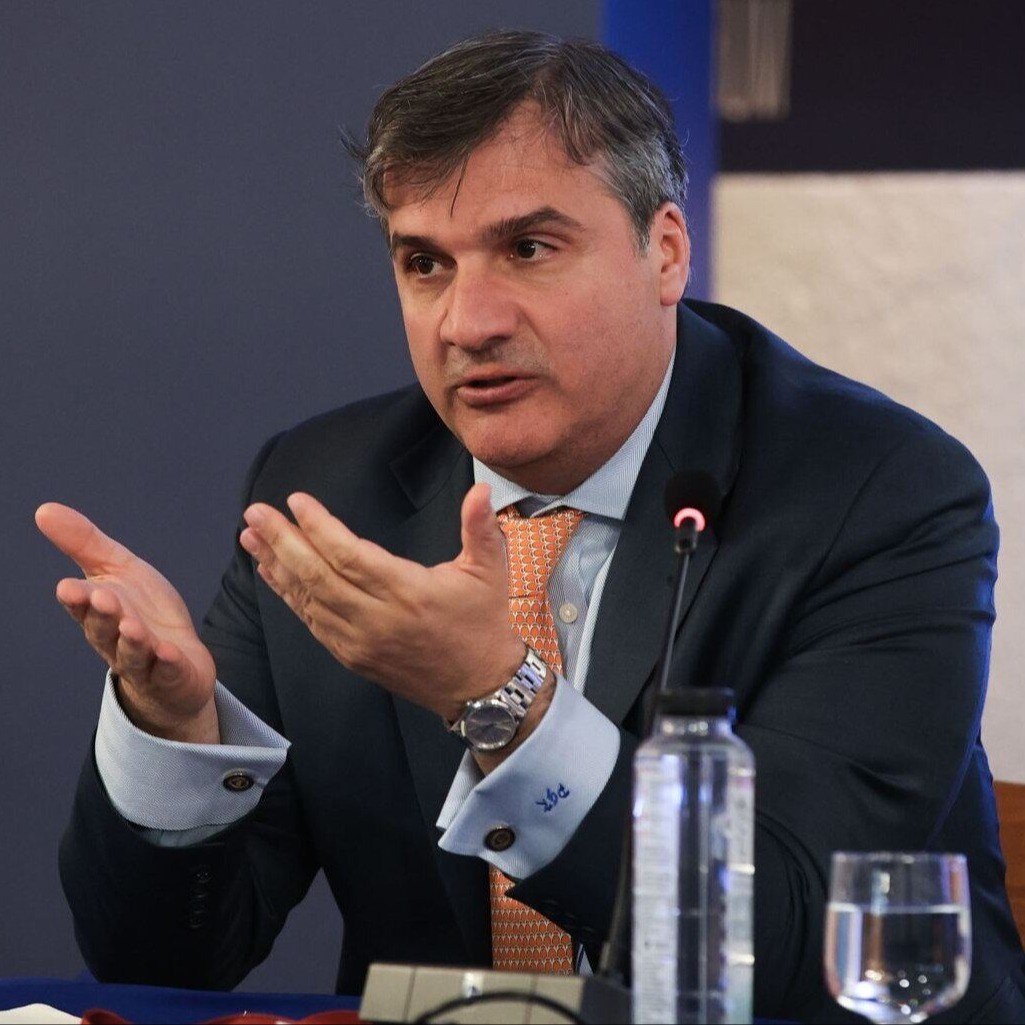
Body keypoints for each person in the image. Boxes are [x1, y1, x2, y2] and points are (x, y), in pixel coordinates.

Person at [36, 30, 1025, 1022]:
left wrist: (498, 698)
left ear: (664, 251)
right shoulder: (328, 494)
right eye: (424, 262)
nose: (467, 321)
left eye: (528, 249)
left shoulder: (875, 493)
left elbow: (787, 947)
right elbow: (161, 960)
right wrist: (177, 734)